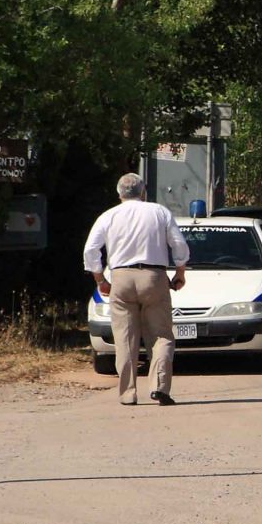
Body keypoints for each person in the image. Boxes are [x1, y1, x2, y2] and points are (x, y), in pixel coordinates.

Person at [83, 173, 190, 406]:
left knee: (125, 338)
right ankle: (160, 386)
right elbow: (178, 244)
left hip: (120, 277)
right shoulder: (159, 212)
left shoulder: (108, 216)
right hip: (154, 276)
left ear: (119, 193)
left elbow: (91, 250)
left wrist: (100, 279)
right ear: (143, 192)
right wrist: (179, 273)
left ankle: (128, 393)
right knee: (161, 335)